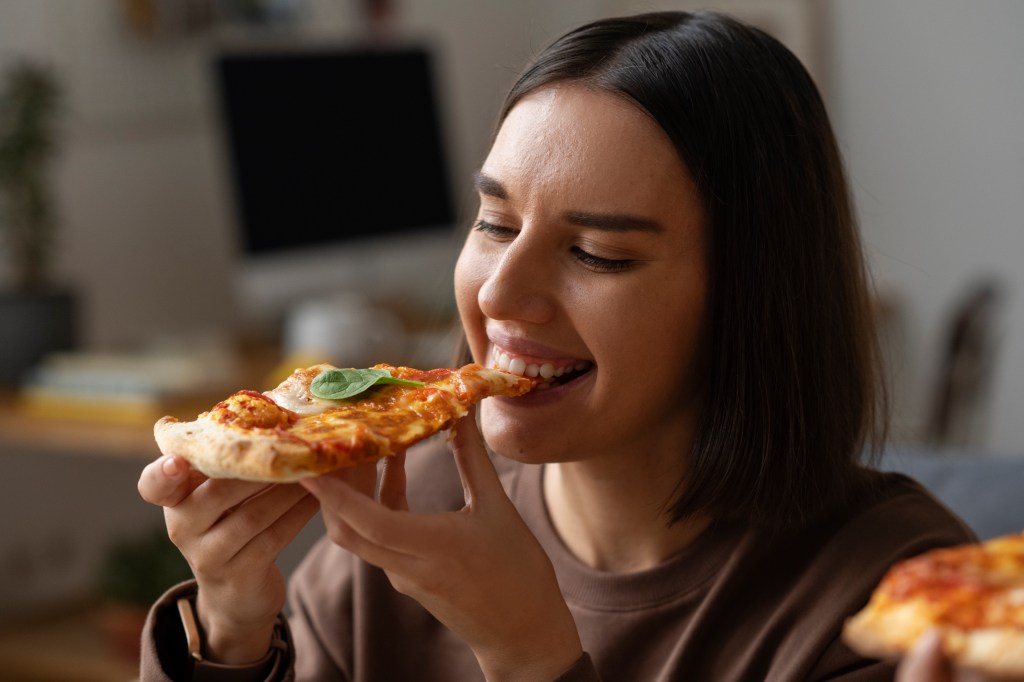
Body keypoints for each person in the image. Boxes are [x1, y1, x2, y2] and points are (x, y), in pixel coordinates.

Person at [138, 10, 979, 681]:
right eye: (495, 223)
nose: (499, 293)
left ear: (752, 297)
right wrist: (230, 631)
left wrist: (530, 656)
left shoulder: (909, 603)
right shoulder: (408, 505)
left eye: (598, 253)